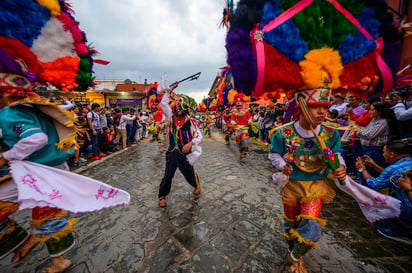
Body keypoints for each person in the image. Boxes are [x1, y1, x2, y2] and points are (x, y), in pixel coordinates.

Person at [269, 88, 346, 273]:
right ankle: (292, 250)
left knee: (311, 225)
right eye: (315, 107)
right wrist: (282, 165)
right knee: (291, 221)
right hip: (291, 185)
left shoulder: (331, 132)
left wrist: (341, 167)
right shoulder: (282, 133)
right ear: (301, 107)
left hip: (316, 187)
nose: (322, 112)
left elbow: (336, 154)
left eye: (325, 107)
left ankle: (296, 256)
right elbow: (273, 154)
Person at [355, 140, 412, 245]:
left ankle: (397, 232)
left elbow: (374, 184)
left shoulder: (393, 168)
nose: (383, 155)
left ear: (392, 154)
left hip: (409, 207)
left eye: (384, 152)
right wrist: (374, 165)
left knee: (378, 202)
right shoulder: (406, 163)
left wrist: (362, 169)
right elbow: (390, 177)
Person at [158, 82, 202, 208]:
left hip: (185, 153)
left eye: (181, 115)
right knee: (168, 174)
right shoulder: (170, 118)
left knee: (189, 171)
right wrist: (170, 90)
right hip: (172, 152)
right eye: (177, 115)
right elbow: (163, 104)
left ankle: (197, 185)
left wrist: (190, 143)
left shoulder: (190, 123)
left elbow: (199, 136)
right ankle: (162, 196)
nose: (178, 118)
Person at [231, 93, 251, 159]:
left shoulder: (246, 111)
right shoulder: (234, 113)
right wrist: (233, 122)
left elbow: (249, 118)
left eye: (240, 106)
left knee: (244, 139)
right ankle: (241, 151)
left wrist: (249, 121)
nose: (239, 108)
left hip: (244, 127)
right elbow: (232, 120)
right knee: (238, 140)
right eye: (238, 106)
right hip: (237, 128)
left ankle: (244, 152)